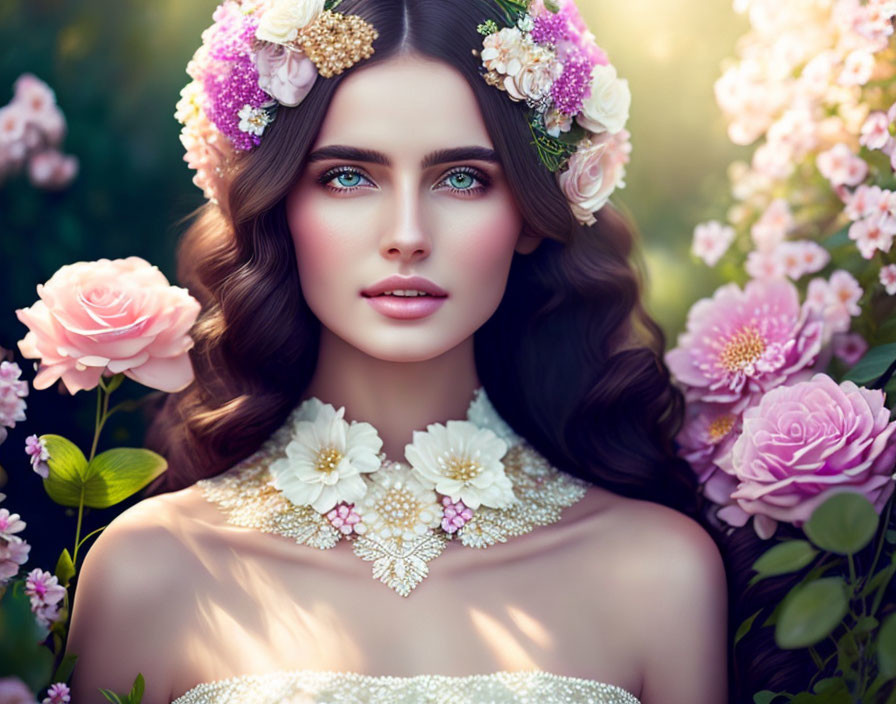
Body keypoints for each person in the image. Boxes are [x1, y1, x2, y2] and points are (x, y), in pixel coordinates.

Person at [65, 0, 729, 701]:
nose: (408, 234)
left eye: (463, 178)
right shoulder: (150, 572)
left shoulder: (659, 572)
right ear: (277, 204)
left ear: (533, 214)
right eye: (348, 176)